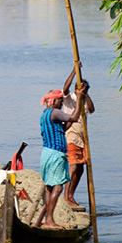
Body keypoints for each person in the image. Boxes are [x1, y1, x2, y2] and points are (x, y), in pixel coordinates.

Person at [34, 87, 83, 229]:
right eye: (60, 101)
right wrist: (79, 99)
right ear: (52, 102)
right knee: (58, 187)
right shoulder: (54, 112)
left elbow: (64, 127)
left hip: (46, 153)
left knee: (50, 188)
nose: (61, 104)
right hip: (55, 154)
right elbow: (74, 118)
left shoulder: (45, 115)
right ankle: (49, 220)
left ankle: (48, 220)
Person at [61, 65, 95, 208]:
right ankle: (65, 197)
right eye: (81, 89)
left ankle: (71, 195)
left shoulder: (84, 101)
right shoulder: (70, 99)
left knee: (80, 169)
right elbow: (64, 88)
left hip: (82, 139)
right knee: (73, 166)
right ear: (76, 89)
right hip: (71, 137)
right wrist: (75, 71)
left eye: (86, 90)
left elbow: (92, 109)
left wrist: (85, 95)